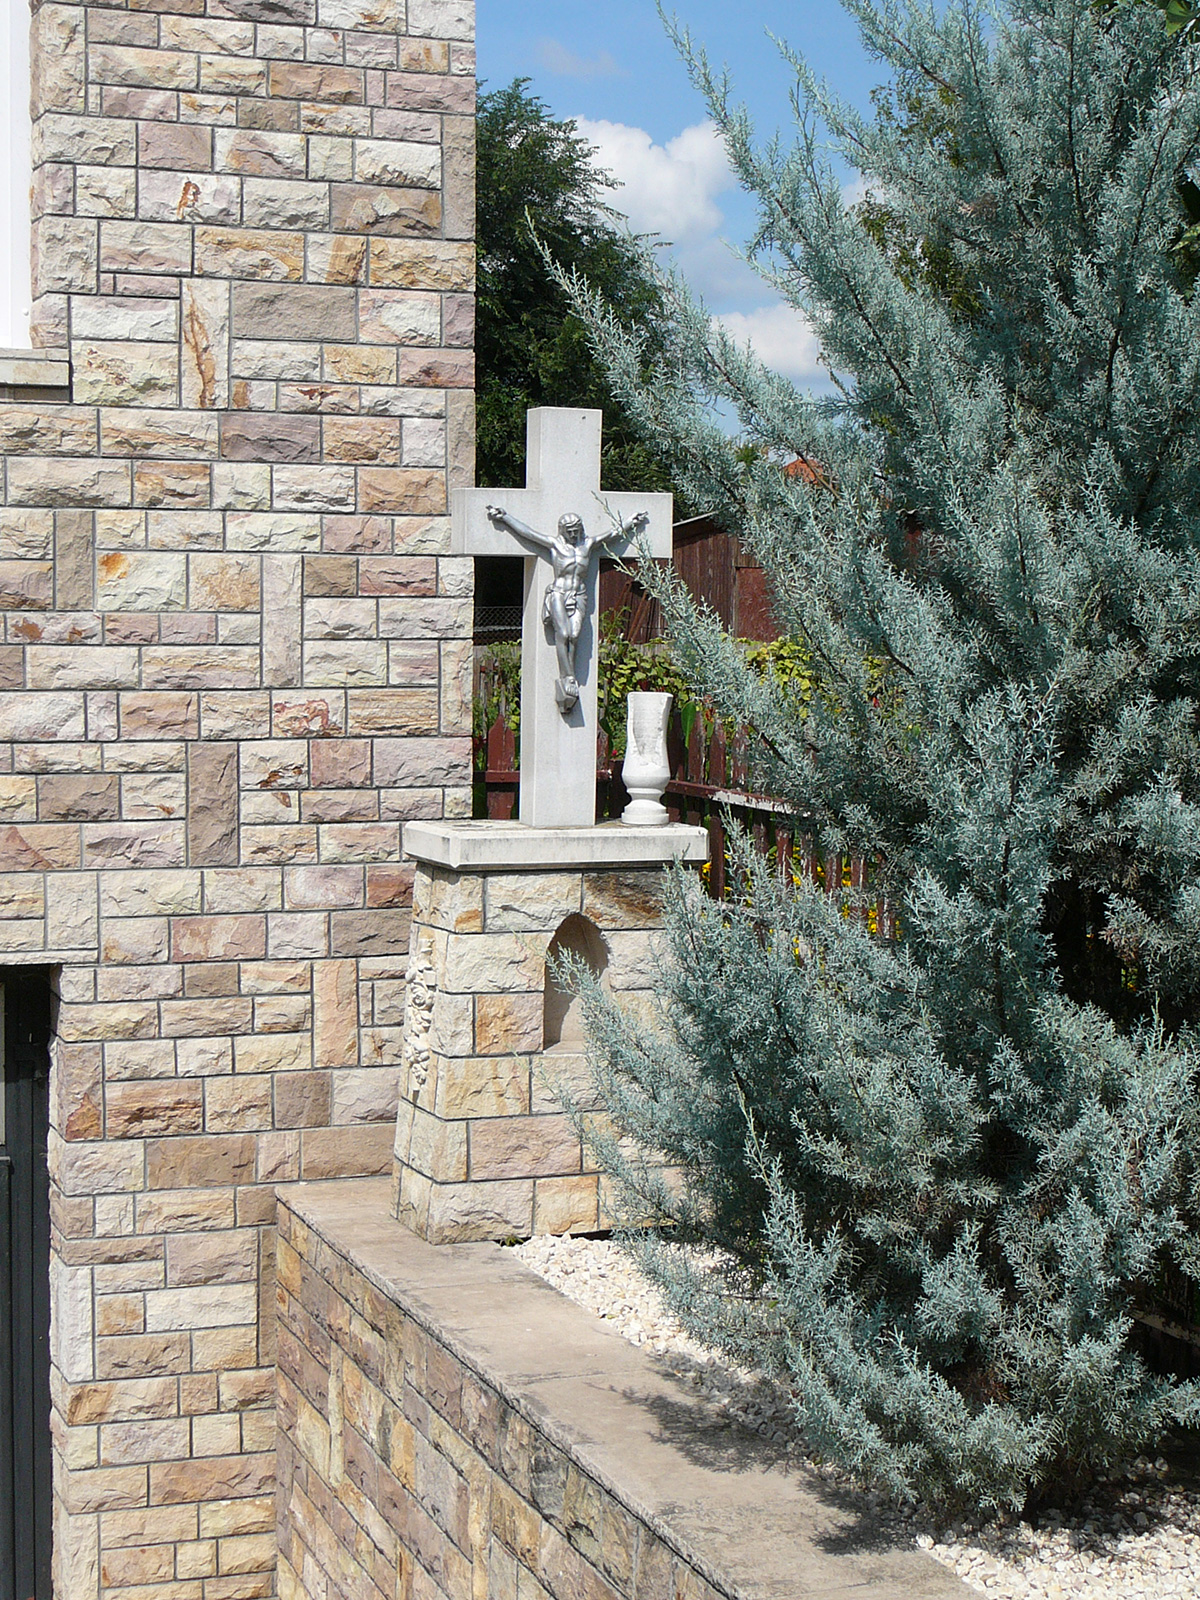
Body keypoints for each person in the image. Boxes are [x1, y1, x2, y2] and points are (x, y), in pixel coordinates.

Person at [485, 504, 649, 711]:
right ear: (562, 531)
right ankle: (568, 677)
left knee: (574, 635)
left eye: (576, 530)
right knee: (563, 634)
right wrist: (505, 518)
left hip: (579, 594)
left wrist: (630, 522)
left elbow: (611, 534)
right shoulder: (555, 545)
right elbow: (528, 533)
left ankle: (569, 676)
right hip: (558, 594)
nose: (573, 535)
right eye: (569, 531)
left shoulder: (587, 545)